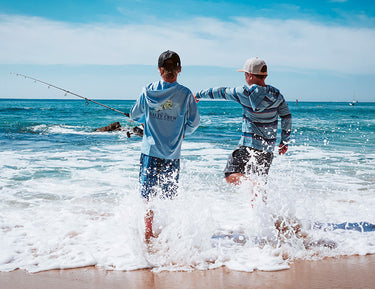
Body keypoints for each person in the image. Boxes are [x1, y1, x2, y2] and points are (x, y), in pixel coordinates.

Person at [195, 57, 292, 202]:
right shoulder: (276, 94)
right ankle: (262, 220)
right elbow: (286, 117)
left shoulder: (244, 92)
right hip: (267, 149)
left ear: (250, 76)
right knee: (261, 185)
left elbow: (220, 92)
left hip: (248, 147)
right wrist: (284, 141)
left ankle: (251, 185)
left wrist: (198, 94)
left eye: (245, 74)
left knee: (230, 174)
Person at [130, 50, 200, 241]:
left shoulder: (147, 90)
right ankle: (170, 234)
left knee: (147, 195)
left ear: (160, 69)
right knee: (169, 195)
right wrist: (183, 133)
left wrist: (147, 119)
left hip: (150, 151)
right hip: (172, 153)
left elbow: (134, 115)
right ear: (179, 69)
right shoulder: (185, 94)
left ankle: (148, 231)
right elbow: (194, 123)